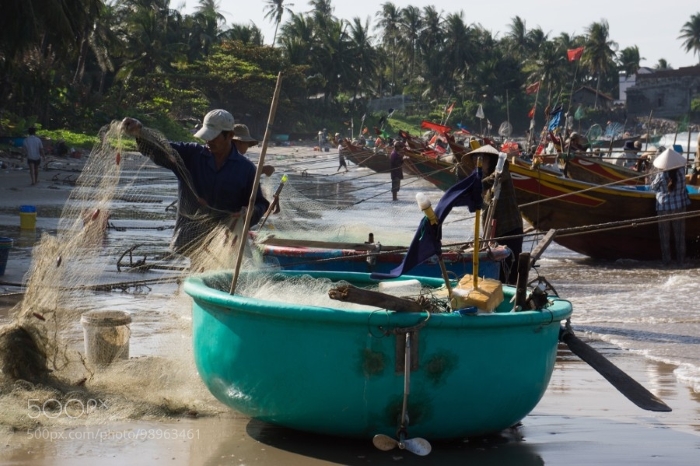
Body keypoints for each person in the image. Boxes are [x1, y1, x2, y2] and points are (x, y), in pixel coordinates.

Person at [120, 109, 270, 256]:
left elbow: (260, 204)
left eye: (214, 137)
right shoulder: (191, 155)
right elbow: (163, 149)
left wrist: (249, 212)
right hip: (192, 237)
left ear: (229, 135)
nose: (208, 141)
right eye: (206, 136)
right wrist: (141, 133)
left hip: (226, 240)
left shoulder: (246, 169)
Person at [470, 145, 523, 285]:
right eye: (476, 160)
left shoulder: (501, 167)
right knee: (496, 273)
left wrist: (479, 185)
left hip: (510, 228)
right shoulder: (481, 179)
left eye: (482, 160)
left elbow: (498, 176)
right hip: (493, 234)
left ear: (490, 160)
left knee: (510, 270)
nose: (478, 163)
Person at [649, 148, 691, 266]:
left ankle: (667, 262)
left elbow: (653, 187)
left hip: (664, 207)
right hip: (679, 206)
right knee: (680, 236)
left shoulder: (661, 174)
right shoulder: (682, 172)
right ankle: (681, 262)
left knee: (665, 238)